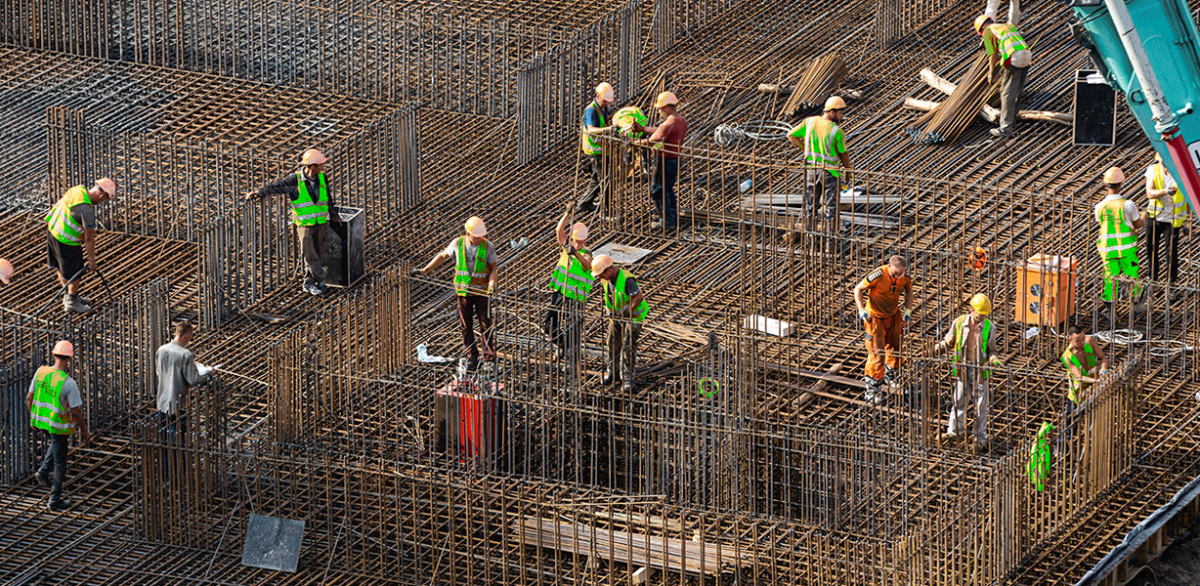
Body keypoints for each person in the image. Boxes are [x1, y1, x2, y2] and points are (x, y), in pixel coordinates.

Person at [246, 148, 342, 296]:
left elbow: (328, 199)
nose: (323, 167)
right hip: (304, 225)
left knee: (318, 253)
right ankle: (320, 279)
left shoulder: (322, 178)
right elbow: (277, 187)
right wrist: (259, 192)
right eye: (320, 164)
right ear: (311, 166)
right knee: (310, 255)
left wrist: (335, 216)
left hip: (321, 223)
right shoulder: (295, 180)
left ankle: (309, 284)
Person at [418, 216, 499, 371]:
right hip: (463, 293)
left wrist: (491, 284)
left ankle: (488, 358)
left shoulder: (487, 246)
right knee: (465, 326)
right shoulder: (457, 244)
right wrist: (425, 270)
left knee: (485, 325)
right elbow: (442, 256)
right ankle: (472, 357)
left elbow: (494, 267)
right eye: (476, 236)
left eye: (480, 236)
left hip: (482, 292)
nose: (479, 238)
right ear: (467, 233)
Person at [930, 294, 1003, 453]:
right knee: (959, 400)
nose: (982, 316)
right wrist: (933, 350)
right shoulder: (959, 323)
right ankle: (955, 432)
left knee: (981, 405)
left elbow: (992, 350)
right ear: (972, 309)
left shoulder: (990, 327)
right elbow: (948, 343)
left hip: (980, 370)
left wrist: (995, 360)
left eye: (985, 314)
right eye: (980, 313)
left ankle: (980, 437)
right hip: (963, 367)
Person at [26, 340, 91, 512]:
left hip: (41, 421)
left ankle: (43, 470)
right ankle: (54, 499)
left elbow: (29, 398)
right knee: (61, 462)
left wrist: (33, 418)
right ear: (70, 359)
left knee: (55, 446)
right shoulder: (68, 383)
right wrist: (85, 432)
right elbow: (76, 412)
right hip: (57, 426)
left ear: (53, 355)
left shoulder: (41, 372)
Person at [46, 178, 117, 313]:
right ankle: (71, 302)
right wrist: (92, 260)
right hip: (66, 240)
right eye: (105, 199)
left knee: (62, 268)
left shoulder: (77, 190)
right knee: (74, 273)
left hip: (53, 230)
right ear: (102, 195)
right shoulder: (86, 212)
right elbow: (89, 239)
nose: (102, 202)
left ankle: (69, 296)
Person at [853, 256, 913, 403]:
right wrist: (861, 311)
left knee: (896, 348)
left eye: (900, 274)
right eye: (895, 274)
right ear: (890, 268)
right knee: (877, 354)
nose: (897, 277)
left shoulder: (904, 277)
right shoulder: (878, 275)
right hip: (875, 318)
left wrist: (907, 312)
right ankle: (872, 390)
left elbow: (908, 292)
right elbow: (858, 289)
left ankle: (892, 376)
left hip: (893, 316)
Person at [788, 96, 852, 234]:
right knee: (831, 207)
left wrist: (804, 148)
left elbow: (791, 135)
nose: (842, 116)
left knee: (811, 205)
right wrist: (848, 171)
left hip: (811, 169)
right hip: (830, 172)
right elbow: (843, 154)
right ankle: (830, 243)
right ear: (832, 112)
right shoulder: (836, 131)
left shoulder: (809, 122)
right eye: (841, 113)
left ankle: (810, 239)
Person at [590, 254, 649, 393]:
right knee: (611, 340)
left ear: (609, 270)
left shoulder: (627, 279)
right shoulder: (607, 280)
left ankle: (627, 378)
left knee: (628, 345)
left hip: (633, 316)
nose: (600, 278)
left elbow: (639, 297)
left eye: (601, 274)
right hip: (617, 317)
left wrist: (627, 311)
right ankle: (613, 372)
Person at [543, 205, 593, 365]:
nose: (576, 243)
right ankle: (562, 346)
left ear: (584, 240)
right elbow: (559, 230)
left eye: (579, 241)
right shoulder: (566, 246)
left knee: (574, 330)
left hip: (576, 297)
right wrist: (567, 213)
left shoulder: (587, 253)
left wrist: (576, 253)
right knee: (549, 325)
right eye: (574, 240)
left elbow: (587, 266)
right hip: (559, 293)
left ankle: (572, 360)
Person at [1094, 167, 1146, 314]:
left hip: (1107, 249)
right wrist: (1144, 217)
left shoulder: (1099, 207)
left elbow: (1103, 224)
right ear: (1121, 184)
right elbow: (1137, 224)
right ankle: (1136, 305)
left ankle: (1110, 309)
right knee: (1131, 275)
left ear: (1105, 185)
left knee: (1110, 278)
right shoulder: (1127, 205)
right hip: (1127, 248)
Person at [975, 15, 1032, 138]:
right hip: (1027, 55)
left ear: (983, 26)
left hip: (1014, 57)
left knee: (1007, 93)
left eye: (981, 32)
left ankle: (1005, 128)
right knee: (1017, 90)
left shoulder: (989, 31)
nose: (983, 35)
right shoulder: (1007, 26)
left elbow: (992, 54)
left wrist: (991, 73)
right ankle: (1013, 118)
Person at [640, 91, 687, 230]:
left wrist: (635, 142)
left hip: (664, 161)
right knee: (668, 189)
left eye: (660, 108)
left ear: (666, 107)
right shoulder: (680, 120)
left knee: (657, 191)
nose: (659, 111)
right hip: (674, 160)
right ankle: (672, 217)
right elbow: (662, 132)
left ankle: (666, 222)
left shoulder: (668, 123)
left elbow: (653, 140)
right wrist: (644, 129)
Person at [155, 320, 213, 433]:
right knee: (178, 443)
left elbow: (159, 372)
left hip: (162, 403)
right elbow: (194, 380)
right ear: (187, 336)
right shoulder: (185, 354)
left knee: (165, 440)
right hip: (178, 404)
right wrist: (210, 374)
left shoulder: (161, 350)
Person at [1143, 152, 1186, 287]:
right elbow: (1149, 193)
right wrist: (1166, 191)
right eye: (1160, 160)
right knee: (1151, 248)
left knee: (1171, 253)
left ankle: (1171, 282)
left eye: (1164, 160)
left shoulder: (1181, 172)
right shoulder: (1153, 170)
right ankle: (1153, 279)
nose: (1162, 163)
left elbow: (1188, 198)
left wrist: (1188, 222)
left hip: (1172, 220)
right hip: (1155, 216)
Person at [1060, 324, 1109, 440]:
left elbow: (1103, 358)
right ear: (1069, 340)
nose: (1082, 342)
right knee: (1072, 425)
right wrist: (1098, 380)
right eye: (1078, 340)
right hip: (1077, 395)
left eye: (1083, 338)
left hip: (1094, 390)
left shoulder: (1090, 342)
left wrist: (1103, 370)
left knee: (1095, 420)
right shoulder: (1067, 357)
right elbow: (1080, 377)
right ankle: (1065, 450)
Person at [578, 82, 617, 214]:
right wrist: (609, 129)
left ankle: (585, 203)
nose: (607, 103)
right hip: (595, 151)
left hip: (602, 150)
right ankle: (606, 210)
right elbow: (591, 129)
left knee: (597, 178)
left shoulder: (603, 108)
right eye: (605, 100)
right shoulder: (591, 111)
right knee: (606, 180)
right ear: (598, 96)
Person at [1028, 422, 1055, 492]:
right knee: (1040, 478)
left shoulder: (1043, 442)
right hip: (1038, 465)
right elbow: (1033, 457)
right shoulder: (1037, 444)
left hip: (1043, 464)